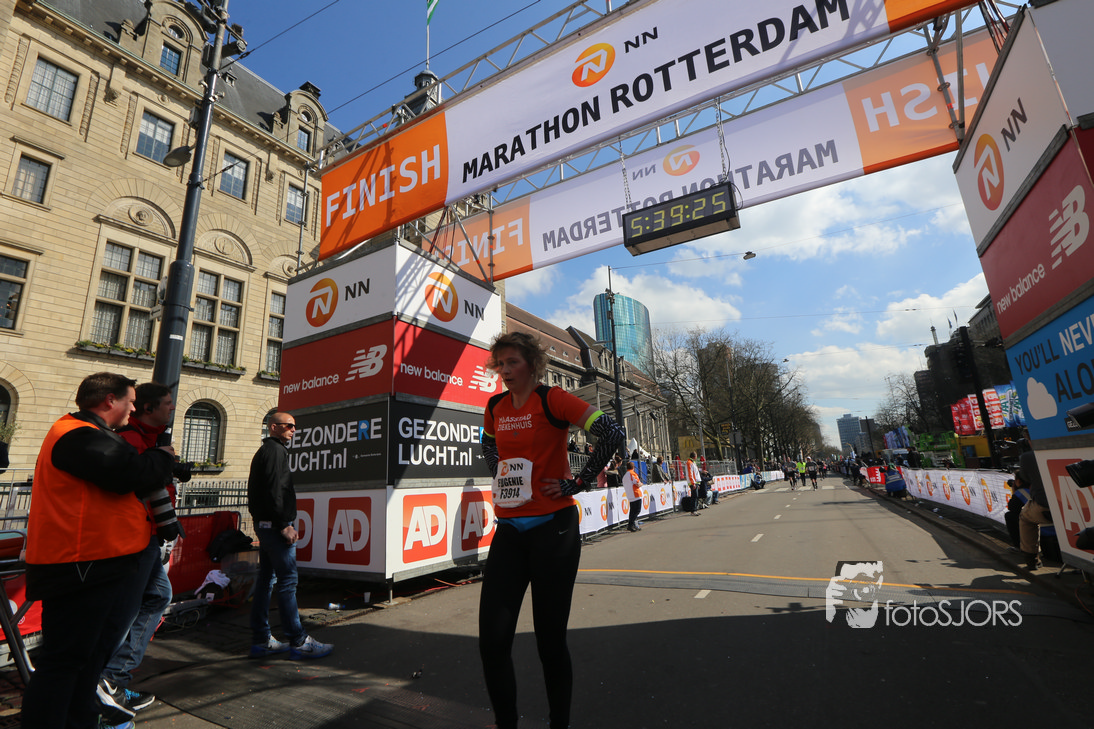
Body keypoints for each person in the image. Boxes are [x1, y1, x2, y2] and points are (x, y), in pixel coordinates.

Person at [479, 331, 624, 729]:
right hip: (510, 532)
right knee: (492, 643)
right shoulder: (494, 406)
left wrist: (578, 482)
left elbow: (612, 432)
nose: (505, 371)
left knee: (549, 643)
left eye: (512, 362)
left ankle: (559, 723)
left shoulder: (552, 399)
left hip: (553, 531)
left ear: (532, 364)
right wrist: (500, 471)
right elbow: (487, 444)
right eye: (500, 364)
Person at [22, 372, 175, 729]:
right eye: (131, 402)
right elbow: (129, 473)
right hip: (79, 567)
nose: (134, 409)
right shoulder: (76, 434)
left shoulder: (86, 433)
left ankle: (81, 720)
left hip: (92, 565)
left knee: (85, 660)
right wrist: (162, 457)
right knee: (65, 661)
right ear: (110, 400)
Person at [98, 383, 186, 719]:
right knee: (129, 609)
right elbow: (139, 484)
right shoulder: (132, 440)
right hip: (136, 537)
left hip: (145, 535)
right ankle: (109, 680)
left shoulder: (148, 440)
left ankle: (113, 678)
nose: (172, 407)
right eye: (167, 403)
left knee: (156, 596)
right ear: (149, 408)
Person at [248, 410, 333, 660]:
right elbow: (276, 490)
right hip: (275, 527)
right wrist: (284, 524)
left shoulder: (268, 451)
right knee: (288, 581)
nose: (293, 430)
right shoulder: (275, 452)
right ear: (273, 427)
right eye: (288, 425)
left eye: (294, 426)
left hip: (265, 525)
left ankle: (261, 640)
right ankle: (299, 641)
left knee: (266, 580)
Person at [1017, 449, 1052, 569]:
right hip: (1080, 504)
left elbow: (1025, 477)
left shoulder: (1028, 456)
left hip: (1045, 506)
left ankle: (1032, 560)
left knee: (1025, 517)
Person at [623, 461, 643, 532]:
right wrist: (641, 484)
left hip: (630, 495)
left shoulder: (625, 475)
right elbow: (637, 483)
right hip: (636, 494)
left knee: (632, 511)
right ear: (633, 467)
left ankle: (632, 524)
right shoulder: (632, 474)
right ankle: (631, 524)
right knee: (637, 510)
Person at [686, 451, 702, 516]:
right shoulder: (690, 463)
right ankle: (693, 510)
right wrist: (693, 483)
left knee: (696, 496)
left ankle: (695, 509)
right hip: (693, 482)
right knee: (694, 496)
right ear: (694, 456)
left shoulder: (692, 462)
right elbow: (690, 474)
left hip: (695, 482)